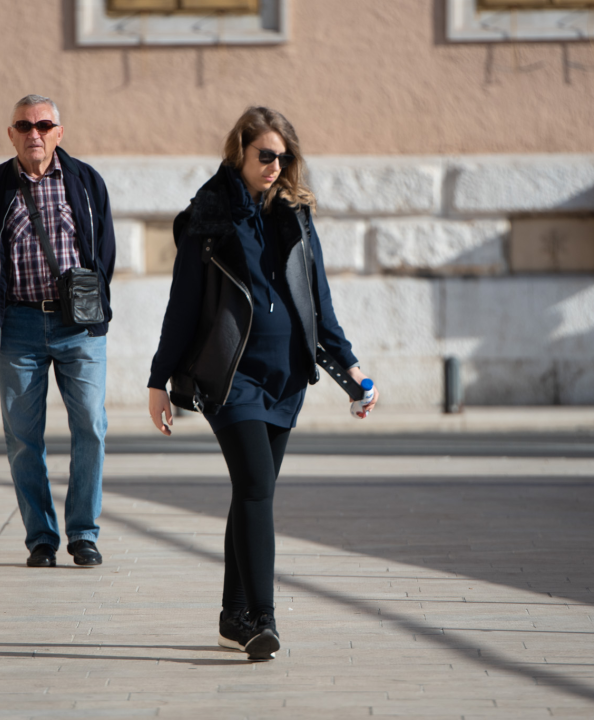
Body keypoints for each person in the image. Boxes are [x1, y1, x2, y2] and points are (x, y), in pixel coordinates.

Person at [147, 107, 379, 661]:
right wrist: (160, 380)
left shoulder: (295, 218)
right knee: (255, 489)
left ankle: (233, 615)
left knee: (252, 494)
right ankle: (264, 619)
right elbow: (182, 306)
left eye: (284, 157)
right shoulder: (208, 219)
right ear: (240, 154)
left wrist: (352, 370)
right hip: (231, 378)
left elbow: (318, 302)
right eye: (265, 156)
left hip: (286, 378)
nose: (275, 166)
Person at [0, 95, 116, 569]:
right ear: (11, 134)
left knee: (91, 428)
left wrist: (93, 308)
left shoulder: (85, 180)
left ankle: (83, 534)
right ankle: (41, 537)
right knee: (22, 438)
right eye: (24, 125)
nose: (34, 132)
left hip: (79, 326)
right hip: (19, 325)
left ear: (59, 131)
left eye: (43, 124)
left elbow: (104, 252)